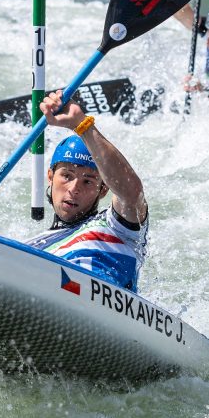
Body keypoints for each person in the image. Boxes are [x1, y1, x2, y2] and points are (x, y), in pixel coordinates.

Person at [23, 89, 149, 292]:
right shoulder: (31, 246)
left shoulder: (116, 227)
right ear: (50, 177)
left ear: (103, 189)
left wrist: (81, 125)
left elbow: (132, 194)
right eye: (67, 176)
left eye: (88, 181)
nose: (74, 189)